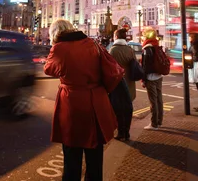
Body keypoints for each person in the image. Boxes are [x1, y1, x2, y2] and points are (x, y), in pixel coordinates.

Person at [44, 19, 119, 181]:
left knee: (72, 155)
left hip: (73, 104)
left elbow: (49, 69)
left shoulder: (59, 48)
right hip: (97, 103)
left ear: (54, 34)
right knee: (95, 157)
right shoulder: (93, 44)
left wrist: (54, 47)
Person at [109, 28, 136, 140]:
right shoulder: (130, 49)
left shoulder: (113, 50)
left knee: (118, 109)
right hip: (129, 81)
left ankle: (121, 133)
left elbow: (109, 67)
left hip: (118, 83)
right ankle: (127, 132)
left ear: (116, 37)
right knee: (128, 108)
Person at [141, 27, 163, 130]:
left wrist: (143, 79)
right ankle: (159, 121)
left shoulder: (147, 48)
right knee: (159, 99)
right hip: (159, 76)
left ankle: (154, 124)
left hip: (151, 78)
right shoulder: (157, 45)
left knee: (153, 101)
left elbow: (145, 66)